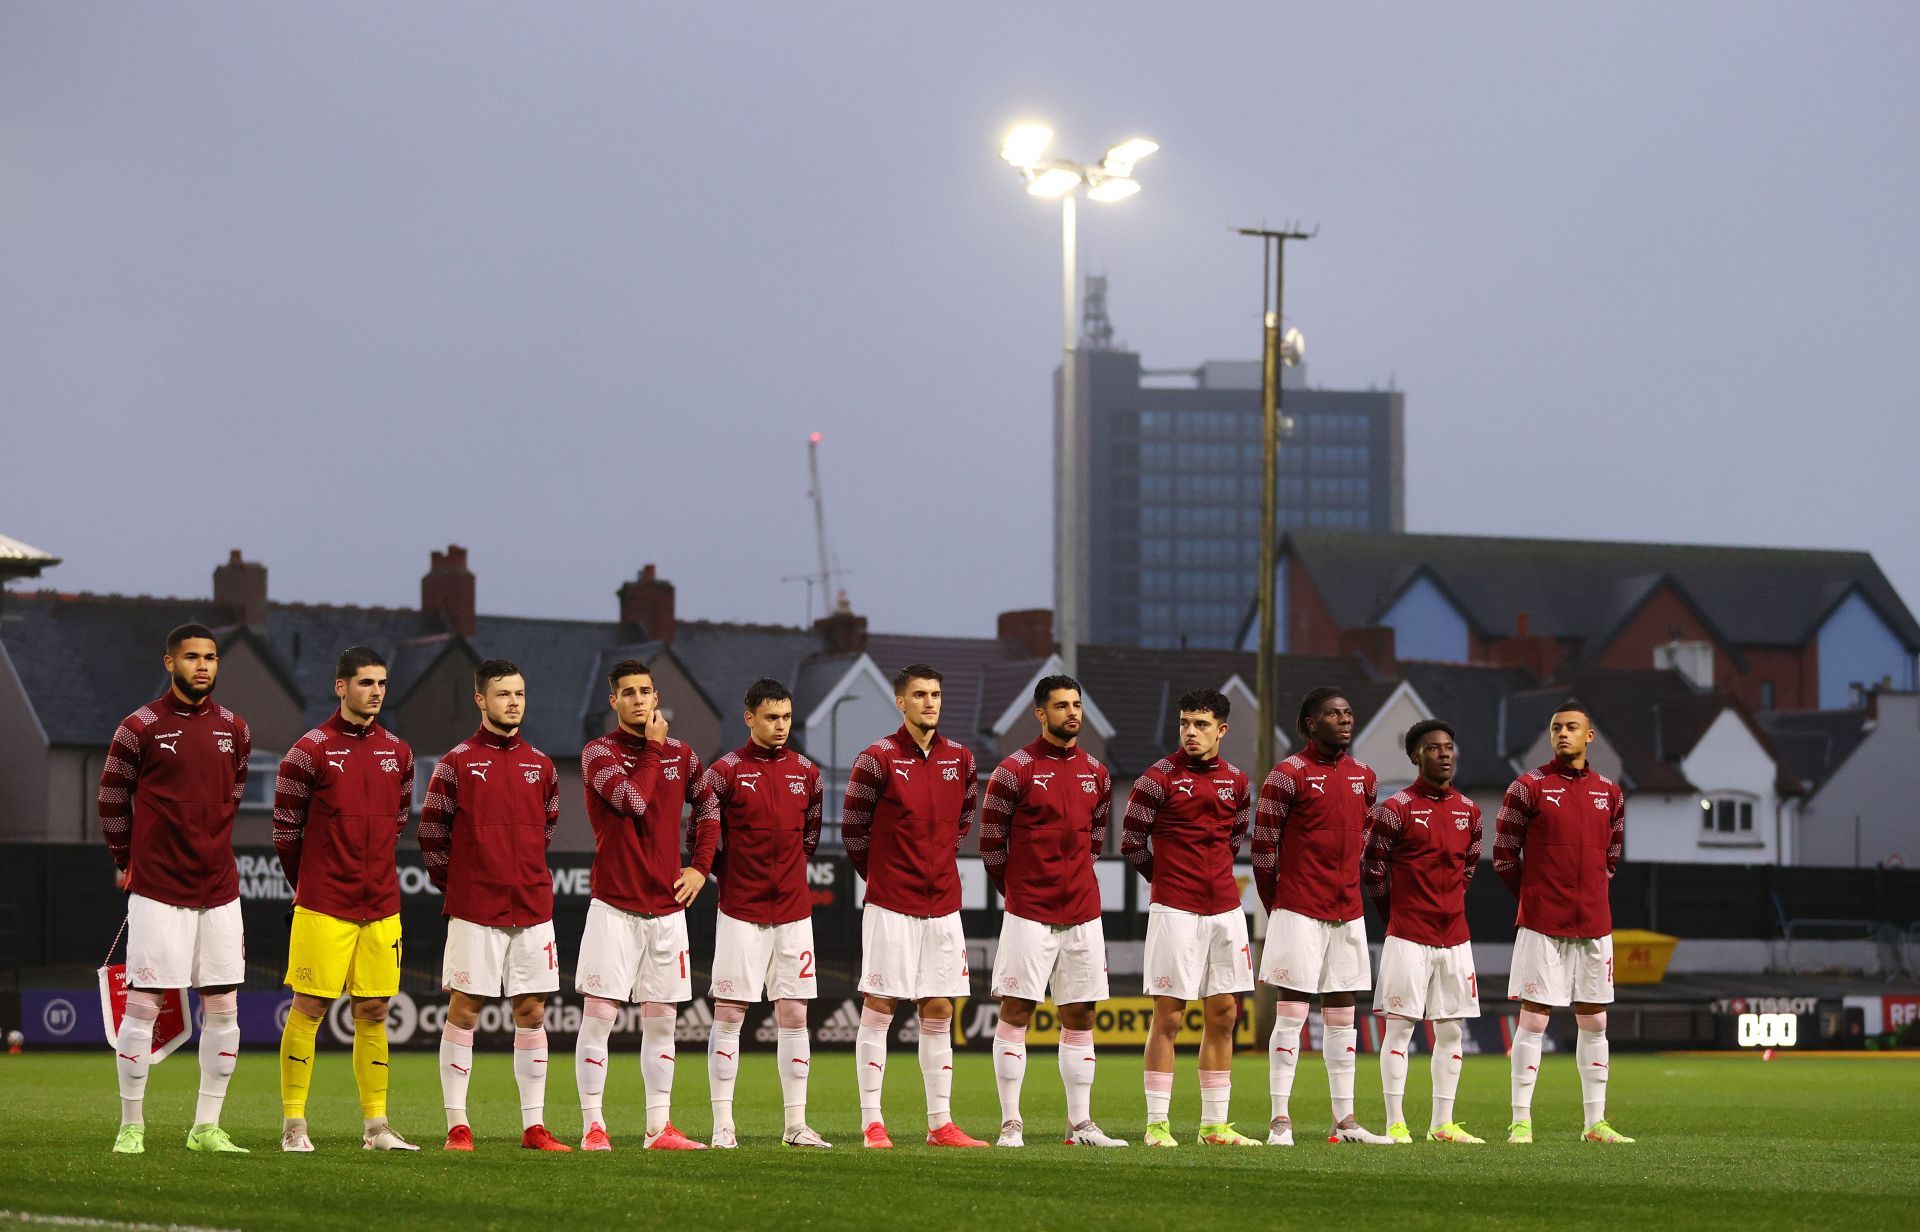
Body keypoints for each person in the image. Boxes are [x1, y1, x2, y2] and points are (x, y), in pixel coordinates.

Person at [98, 624, 251, 1155]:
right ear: (170, 663)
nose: (203, 666)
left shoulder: (235, 727)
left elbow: (232, 792)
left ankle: (205, 1126)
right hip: (159, 888)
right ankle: (131, 1125)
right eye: (191, 657)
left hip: (220, 888)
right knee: (142, 1004)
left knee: (224, 1006)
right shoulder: (139, 726)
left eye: (210, 657)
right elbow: (112, 800)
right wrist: (129, 861)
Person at [418, 659, 569, 1152]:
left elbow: (546, 828)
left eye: (519, 694)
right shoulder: (456, 762)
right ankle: (457, 1125)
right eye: (503, 694)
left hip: (532, 906)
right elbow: (431, 835)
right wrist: (462, 884)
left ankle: (533, 1127)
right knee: (464, 1010)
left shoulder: (541, 765)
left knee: (532, 1010)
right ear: (480, 699)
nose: (513, 702)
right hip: (474, 907)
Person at [273, 646, 420, 1152]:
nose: (375, 691)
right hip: (323, 902)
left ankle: (377, 1127)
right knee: (310, 1005)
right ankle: (294, 1125)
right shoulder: (308, 751)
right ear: (341, 687)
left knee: (375, 1010)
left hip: (380, 903)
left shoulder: (399, 753)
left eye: (381, 683)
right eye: (364, 683)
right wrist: (313, 883)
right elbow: (285, 833)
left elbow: (398, 821)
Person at [841, 663, 988, 1150]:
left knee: (940, 1006)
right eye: (920, 694)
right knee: (880, 1006)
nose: (930, 702)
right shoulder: (876, 758)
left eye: (937, 693)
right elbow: (854, 831)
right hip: (890, 903)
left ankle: (940, 1124)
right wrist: (886, 874)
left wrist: (934, 863)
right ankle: (872, 1123)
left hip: (944, 903)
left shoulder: (962, 759)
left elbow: (964, 819)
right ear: (900, 702)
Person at [980, 675, 1126, 1149]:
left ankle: (1080, 1125)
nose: (1072, 713)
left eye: (1077, 705)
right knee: (1017, 1010)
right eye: (1061, 706)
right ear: (1040, 714)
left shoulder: (1097, 772)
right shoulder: (1014, 769)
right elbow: (990, 845)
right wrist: (1021, 890)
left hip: (1083, 911)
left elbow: (1095, 840)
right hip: (1029, 912)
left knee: (1080, 1014)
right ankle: (1010, 1122)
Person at [689, 679, 830, 1149]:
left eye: (787, 717)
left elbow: (809, 838)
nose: (780, 726)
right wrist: (728, 878)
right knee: (730, 1013)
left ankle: (795, 1125)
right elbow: (702, 838)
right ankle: (723, 1125)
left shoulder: (808, 772)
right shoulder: (724, 772)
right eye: (771, 718)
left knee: (794, 1013)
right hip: (740, 911)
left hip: (793, 910)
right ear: (749, 718)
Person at [573, 658, 707, 1151]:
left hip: (667, 911)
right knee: (600, 1017)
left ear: (655, 697)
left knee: (663, 1020)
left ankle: (658, 1128)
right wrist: (652, 750)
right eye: (628, 692)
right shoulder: (598, 753)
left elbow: (708, 806)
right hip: (614, 907)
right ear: (614, 701)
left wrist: (700, 865)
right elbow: (632, 801)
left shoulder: (683, 754)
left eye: (645, 691)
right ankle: (593, 1126)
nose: (638, 699)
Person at [1251, 687, 1392, 1146]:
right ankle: (1279, 1120)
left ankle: (1344, 1120)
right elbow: (1263, 849)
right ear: (1311, 723)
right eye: (1333, 714)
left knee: (1342, 1015)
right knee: (1291, 1013)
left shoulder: (1365, 777)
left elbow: (1369, 847)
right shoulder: (1287, 775)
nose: (1344, 720)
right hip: (1297, 909)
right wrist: (1280, 905)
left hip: (1347, 911)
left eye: (1349, 713)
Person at [1120, 687, 1259, 1148]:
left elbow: (1234, 835)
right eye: (1184, 723)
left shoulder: (1238, 781)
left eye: (1200, 724)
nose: (1190, 732)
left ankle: (1213, 1127)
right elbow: (1132, 843)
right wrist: (1167, 882)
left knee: (1224, 1013)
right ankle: (1157, 1125)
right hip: (1174, 909)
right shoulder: (1156, 779)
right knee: (1170, 1016)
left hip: (1225, 909)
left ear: (1222, 730)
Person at [1494, 699, 1634, 1144]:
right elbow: (1502, 856)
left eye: (1572, 727)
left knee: (1594, 1023)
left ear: (1589, 736)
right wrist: (1537, 897)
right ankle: (1521, 1121)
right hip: (1541, 924)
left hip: (1594, 924)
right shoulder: (1527, 787)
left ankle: (1595, 1124)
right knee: (1533, 1020)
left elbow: (1612, 857)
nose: (1563, 734)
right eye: (1557, 727)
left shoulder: (1610, 792)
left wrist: (1585, 895)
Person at [1361, 719, 1485, 1146]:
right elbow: (1373, 869)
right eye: (1434, 748)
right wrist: (1395, 914)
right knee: (1400, 1030)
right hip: (1407, 937)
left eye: (1449, 747)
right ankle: (1396, 1122)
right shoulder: (1395, 809)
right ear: (1416, 757)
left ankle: (1442, 1125)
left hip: (1455, 938)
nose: (1444, 754)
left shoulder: (1469, 810)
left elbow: (1467, 868)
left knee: (1451, 1031)